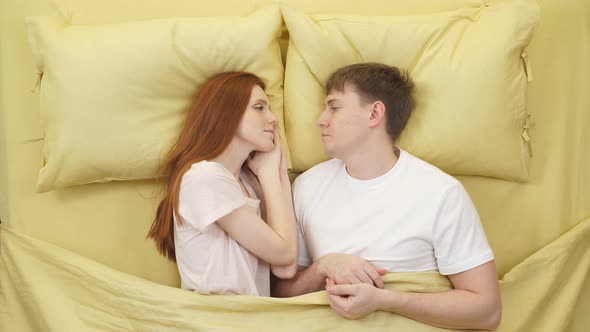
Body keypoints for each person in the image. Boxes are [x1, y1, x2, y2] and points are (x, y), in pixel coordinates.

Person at [273, 63, 502, 330]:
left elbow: (486, 312)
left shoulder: (440, 193)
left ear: (374, 113)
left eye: (334, 107)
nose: (321, 120)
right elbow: (280, 293)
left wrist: (384, 300)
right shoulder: (306, 186)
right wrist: (323, 266)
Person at [147, 71, 297, 296]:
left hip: (250, 317)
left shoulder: (246, 182)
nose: (273, 118)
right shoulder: (204, 178)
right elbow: (284, 253)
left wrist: (276, 172)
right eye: (259, 107)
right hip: (219, 316)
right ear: (228, 114)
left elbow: (286, 268)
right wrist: (268, 174)